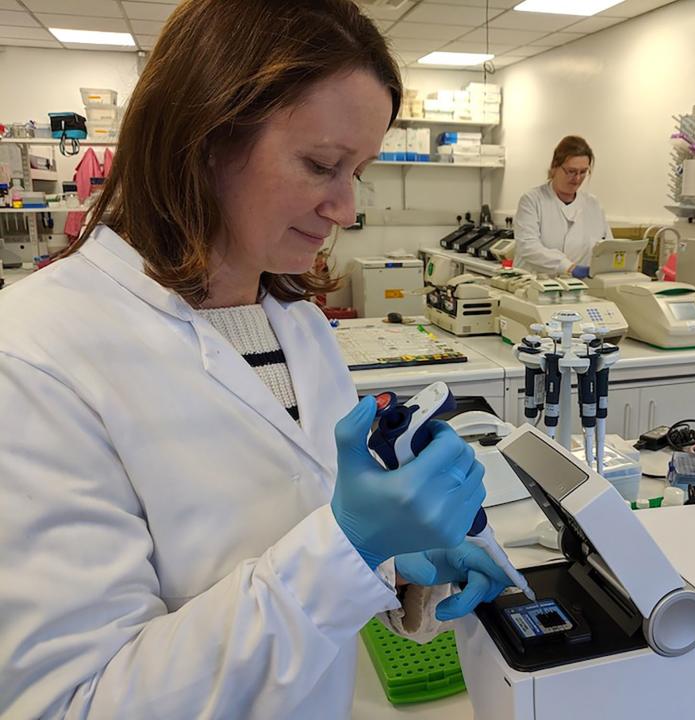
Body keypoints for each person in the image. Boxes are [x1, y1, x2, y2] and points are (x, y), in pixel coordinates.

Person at [0, 1, 512, 717]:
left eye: (357, 170)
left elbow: (293, 541)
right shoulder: (35, 353)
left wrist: (397, 563)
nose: (345, 208)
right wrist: (349, 547)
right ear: (203, 136)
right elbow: (74, 703)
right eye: (323, 165)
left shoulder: (297, 326)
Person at [513, 135, 614, 278]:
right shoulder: (532, 200)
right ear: (555, 166)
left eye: (583, 172)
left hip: (579, 290)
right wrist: (569, 267)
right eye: (571, 171)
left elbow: (608, 248)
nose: (577, 178)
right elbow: (528, 247)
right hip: (535, 289)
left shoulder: (593, 205)